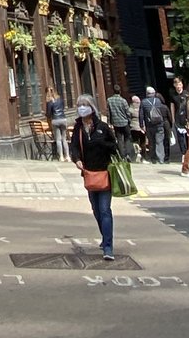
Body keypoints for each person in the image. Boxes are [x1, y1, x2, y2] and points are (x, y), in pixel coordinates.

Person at [70, 93, 118, 261]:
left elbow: (114, 147)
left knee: (105, 210)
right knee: (96, 210)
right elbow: (74, 146)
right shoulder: (78, 128)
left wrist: (100, 143)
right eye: (79, 105)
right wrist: (76, 160)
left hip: (104, 173)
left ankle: (108, 246)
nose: (81, 108)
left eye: (84, 104)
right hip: (89, 174)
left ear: (91, 107)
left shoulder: (102, 127)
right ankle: (105, 236)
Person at [140, 87, 170, 163]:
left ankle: (153, 158)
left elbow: (141, 115)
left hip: (149, 125)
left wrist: (141, 125)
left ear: (147, 93)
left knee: (151, 142)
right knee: (159, 141)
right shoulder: (158, 101)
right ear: (154, 93)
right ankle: (161, 159)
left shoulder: (143, 102)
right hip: (159, 124)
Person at [106, 84, 132, 159]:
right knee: (127, 138)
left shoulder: (109, 100)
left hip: (116, 123)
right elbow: (127, 112)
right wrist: (129, 121)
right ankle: (128, 154)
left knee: (119, 139)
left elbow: (108, 113)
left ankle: (122, 155)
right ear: (120, 91)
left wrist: (109, 122)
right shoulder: (123, 101)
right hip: (124, 122)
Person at [46, 86, 70, 161]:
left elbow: (49, 114)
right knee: (64, 138)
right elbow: (62, 108)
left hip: (55, 120)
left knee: (58, 139)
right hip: (63, 118)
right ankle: (68, 156)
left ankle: (61, 156)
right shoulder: (60, 99)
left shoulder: (49, 102)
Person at [169, 76, 188, 162]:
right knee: (180, 137)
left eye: (180, 84)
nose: (179, 86)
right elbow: (172, 106)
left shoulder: (186, 94)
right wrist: (173, 118)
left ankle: (188, 152)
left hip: (186, 118)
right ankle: (183, 153)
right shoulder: (173, 96)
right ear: (174, 85)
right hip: (178, 118)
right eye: (177, 84)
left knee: (188, 136)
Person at [129, 95, 145, 162]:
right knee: (142, 143)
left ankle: (137, 155)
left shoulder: (130, 109)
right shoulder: (141, 109)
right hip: (141, 128)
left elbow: (128, 118)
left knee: (135, 142)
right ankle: (142, 157)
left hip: (133, 128)